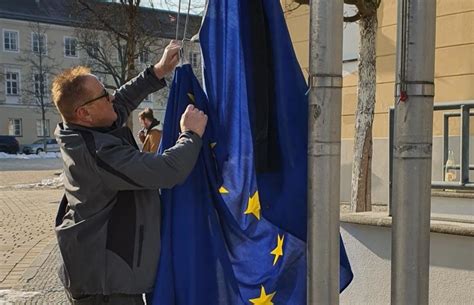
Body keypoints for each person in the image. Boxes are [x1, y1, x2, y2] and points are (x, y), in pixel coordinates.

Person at [51, 40, 207, 305]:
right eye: (103, 96)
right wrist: (190, 134)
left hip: (106, 270)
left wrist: (156, 71)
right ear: (84, 113)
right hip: (104, 283)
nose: (111, 97)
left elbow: (121, 101)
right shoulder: (98, 153)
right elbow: (167, 170)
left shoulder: (87, 127)